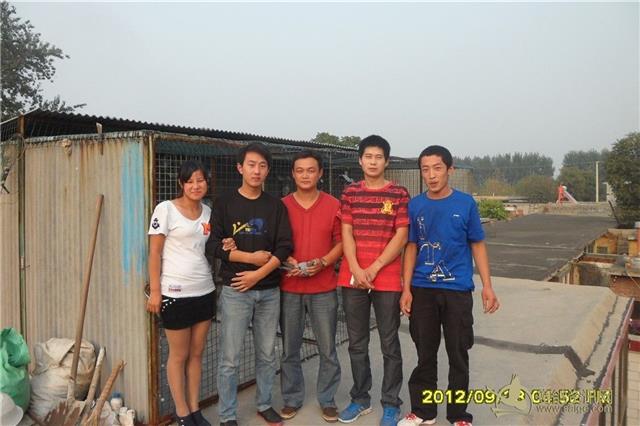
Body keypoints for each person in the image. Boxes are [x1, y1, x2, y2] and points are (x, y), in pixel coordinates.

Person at [398, 145, 500, 426]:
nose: (431, 175)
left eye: (437, 168)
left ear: (450, 170)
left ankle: (458, 415)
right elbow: (411, 247)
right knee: (425, 353)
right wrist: (406, 289)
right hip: (422, 289)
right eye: (425, 169)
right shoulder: (415, 205)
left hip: (457, 290)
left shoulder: (466, 204)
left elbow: (477, 244)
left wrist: (487, 286)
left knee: (457, 353)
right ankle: (424, 411)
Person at [206, 142, 293, 426]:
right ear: (240, 168)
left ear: (268, 170)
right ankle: (227, 415)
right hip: (235, 291)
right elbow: (213, 245)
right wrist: (245, 257)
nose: (257, 171)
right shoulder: (224, 203)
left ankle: (264, 404)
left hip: (269, 291)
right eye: (251, 165)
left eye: (262, 166)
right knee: (229, 358)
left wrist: (258, 273)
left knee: (267, 354)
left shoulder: (275, 206)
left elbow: (284, 246)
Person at [337, 135, 409, 426]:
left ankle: (391, 403)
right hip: (353, 277)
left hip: (387, 278)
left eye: (379, 157)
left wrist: (375, 267)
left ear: (386, 161)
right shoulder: (350, 192)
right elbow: (346, 232)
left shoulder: (399, 193)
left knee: (389, 342)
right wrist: (356, 268)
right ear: (360, 160)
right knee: (357, 342)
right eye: (368, 156)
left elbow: (401, 235)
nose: (373, 161)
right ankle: (360, 399)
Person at [147, 160, 217, 426]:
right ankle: (182, 412)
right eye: (190, 181)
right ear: (181, 184)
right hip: (175, 293)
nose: (196, 186)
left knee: (197, 354)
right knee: (178, 355)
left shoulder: (208, 213)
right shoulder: (166, 209)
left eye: (200, 180)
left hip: (205, 290)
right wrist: (156, 291)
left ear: (206, 182)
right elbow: (154, 252)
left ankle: (195, 408)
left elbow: (211, 247)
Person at [279, 151, 343, 423]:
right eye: (300, 170)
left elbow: (342, 241)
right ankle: (292, 398)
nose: (305, 175)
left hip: (323, 288)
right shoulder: (281, 206)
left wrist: (324, 261)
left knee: (327, 348)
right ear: (293, 174)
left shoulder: (333, 205)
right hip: (289, 287)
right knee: (289, 348)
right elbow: (273, 241)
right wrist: (286, 259)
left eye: (311, 170)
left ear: (320, 174)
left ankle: (327, 400)